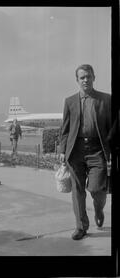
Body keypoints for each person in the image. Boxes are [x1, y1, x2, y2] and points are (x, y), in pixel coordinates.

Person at [59, 64, 111, 240]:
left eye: (88, 76)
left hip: (98, 150)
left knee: (96, 188)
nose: (85, 80)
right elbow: (65, 130)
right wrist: (62, 150)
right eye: (82, 77)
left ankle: (99, 209)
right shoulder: (70, 101)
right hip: (75, 151)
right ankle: (81, 227)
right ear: (77, 80)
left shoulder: (106, 99)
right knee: (77, 190)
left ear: (94, 77)